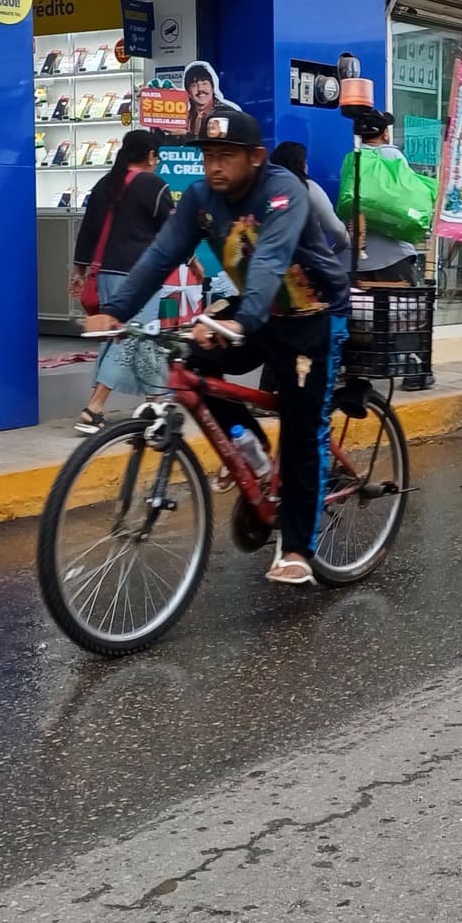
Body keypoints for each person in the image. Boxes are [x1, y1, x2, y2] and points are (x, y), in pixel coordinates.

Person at [83, 109, 350, 588]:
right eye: (207, 156)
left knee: (302, 424)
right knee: (194, 367)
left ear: (256, 157)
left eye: (226, 156)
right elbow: (162, 253)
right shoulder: (202, 198)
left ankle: (296, 549)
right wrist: (118, 309)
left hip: (312, 318)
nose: (214, 167)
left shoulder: (282, 191)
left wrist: (238, 321)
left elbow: (269, 258)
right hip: (258, 313)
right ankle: (253, 452)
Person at [69, 131, 174, 434]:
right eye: (158, 157)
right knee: (125, 339)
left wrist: (79, 270)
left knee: (144, 339)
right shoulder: (153, 185)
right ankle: (94, 407)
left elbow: (88, 229)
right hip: (139, 276)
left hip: (105, 274)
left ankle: (158, 401)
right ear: (151, 155)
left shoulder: (105, 184)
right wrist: (191, 259)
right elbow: (173, 230)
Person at [347, 112, 423, 286]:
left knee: (363, 311)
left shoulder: (352, 158)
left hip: (356, 257)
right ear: (385, 133)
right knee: (401, 309)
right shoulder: (392, 155)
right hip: (392, 254)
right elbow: (410, 194)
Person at [270, 141, 349, 257]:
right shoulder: (309, 188)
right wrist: (336, 249)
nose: (307, 164)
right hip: (303, 263)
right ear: (299, 164)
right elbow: (336, 229)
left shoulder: (269, 189)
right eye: (304, 161)